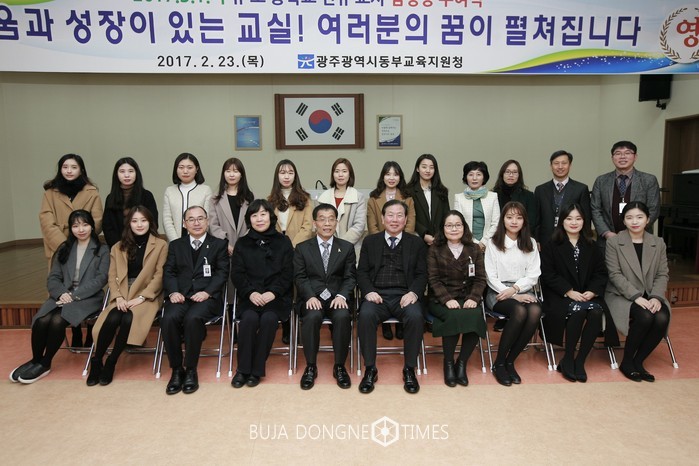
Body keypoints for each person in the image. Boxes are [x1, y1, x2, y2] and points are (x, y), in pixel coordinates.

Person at [10, 210, 109, 384]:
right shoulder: (64, 248)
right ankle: (35, 360)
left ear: (92, 227)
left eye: (85, 225)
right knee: (41, 320)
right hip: (62, 295)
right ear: (71, 229)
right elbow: (53, 277)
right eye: (76, 226)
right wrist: (62, 293)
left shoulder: (102, 250)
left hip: (88, 298)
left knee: (57, 320)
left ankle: (45, 363)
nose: (81, 229)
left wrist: (73, 295)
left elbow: (100, 279)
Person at [88, 206, 167, 386]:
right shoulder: (118, 247)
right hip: (123, 293)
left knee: (128, 317)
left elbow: (160, 276)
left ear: (150, 223)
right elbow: (112, 276)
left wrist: (142, 297)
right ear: (128, 224)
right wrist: (118, 297)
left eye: (143, 220)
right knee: (114, 315)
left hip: (148, 295)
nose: (139, 225)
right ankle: (97, 360)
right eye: (135, 221)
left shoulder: (161, 245)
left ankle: (111, 361)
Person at [540, 204, 618, 383]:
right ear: (562, 221)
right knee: (579, 311)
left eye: (578, 218)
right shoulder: (552, 245)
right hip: (560, 295)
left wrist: (592, 291)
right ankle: (568, 358)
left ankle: (580, 360)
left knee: (596, 311)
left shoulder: (591, 245)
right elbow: (548, 274)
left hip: (587, 294)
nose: (574, 222)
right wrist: (568, 291)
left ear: (584, 221)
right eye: (569, 219)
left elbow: (601, 273)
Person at [357, 200, 426, 394]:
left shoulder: (416, 243)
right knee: (365, 315)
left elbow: (422, 274)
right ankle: (370, 368)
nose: (394, 220)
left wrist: (413, 293)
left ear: (406, 219)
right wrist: (369, 291)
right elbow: (361, 272)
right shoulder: (370, 241)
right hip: (377, 295)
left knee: (415, 316)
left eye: (399, 215)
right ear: (382, 218)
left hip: (404, 295)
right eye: (390, 215)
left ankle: (409, 369)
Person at [161, 205, 228, 395]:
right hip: (181, 297)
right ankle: (176, 370)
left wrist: (207, 292)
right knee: (168, 318)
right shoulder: (176, 245)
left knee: (193, 318)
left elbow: (222, 273)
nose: (196, 223)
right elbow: (169, 272)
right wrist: (173, 292)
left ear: (207, 221)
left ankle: (191, 369)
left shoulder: (218, 244)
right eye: (191, 219)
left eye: (200, 218)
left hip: (207, 298)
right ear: (184, 223)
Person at [39, 154, 103, 347]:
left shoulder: (91, 192)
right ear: (60, 169)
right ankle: (75, 330)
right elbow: (46, 221)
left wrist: (81, 235)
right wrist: (64, 244)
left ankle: (90, 331)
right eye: (65, 167)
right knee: (66, 283)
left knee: (85, 285)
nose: (69, 170)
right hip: (61, 247)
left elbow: (97, 219)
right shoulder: (50, 193)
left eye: (73, 167)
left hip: (85, 243)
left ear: (81, 170)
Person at [231, 200, 294, 388]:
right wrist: (250, 293)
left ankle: (256, 370)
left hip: (276, 298)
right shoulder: (242, 243)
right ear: (249, 220)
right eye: (254, 215)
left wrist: (273, 292)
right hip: (250, 298)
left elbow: (288, 273)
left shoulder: (283, 242)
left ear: (270, 217)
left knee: (268, 320)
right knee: (249, 319)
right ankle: (243, 370)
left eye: (263, 214)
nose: (259, 219)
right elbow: (237, 274)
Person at [605, 201, 670, 383]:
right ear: (624, 220)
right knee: (645, 316)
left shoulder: (658, 243)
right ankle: (627, 362)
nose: (634, 221)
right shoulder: (614, 242)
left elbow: (662, 273)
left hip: (651, 294)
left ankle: (638, 361)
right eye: (629, 217)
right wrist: (636, 296)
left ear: (648, 219)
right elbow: (614, 274)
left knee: (662, 317)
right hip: (621, 294)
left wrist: (656, 297)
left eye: (639, 217)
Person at [294, 203, 356, 390]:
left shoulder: (346, 247)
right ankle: (311, 366)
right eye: (322, 219)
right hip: (312, 297)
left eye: (331, 219)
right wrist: (310, 296)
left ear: (336, 222)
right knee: (312, 317)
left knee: (343, 316)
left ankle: (339, 366)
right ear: (315, 223)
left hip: (337, 298)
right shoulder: (302, 248)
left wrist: (343, 296)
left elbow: (350, 277)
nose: (327, 223)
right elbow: (300, 277)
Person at [484, 201, 542, 387]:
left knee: (535, 311)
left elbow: (533, 274)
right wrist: (511, 293)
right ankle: (500, 362)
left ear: (524, 221)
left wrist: (516, 289)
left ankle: (510, 361)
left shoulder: (530, 243)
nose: (514, 221)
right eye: (509, 217)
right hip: (497, 292)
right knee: (519, 311)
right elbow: (490, 276)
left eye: (518, 217)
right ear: (503, 220)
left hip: (523, 289)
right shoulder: (493, 243)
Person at [427, 210, 486, 387]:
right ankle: (448, 363)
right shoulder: (434, 249)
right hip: (441, 299)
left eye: (458, 225)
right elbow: (433, 279)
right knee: (453, 316)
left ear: (464, 227)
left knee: (474, 316)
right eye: (449, 225)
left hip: (467, 297)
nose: (454, 229)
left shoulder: (474, 249)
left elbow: (480, 278)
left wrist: (474, 297)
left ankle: (461, 363)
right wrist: (446, 299)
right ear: (443, 228)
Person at [367, 161, 416, 341]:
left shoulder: (408, 197)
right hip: (380, 245)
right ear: (383, 176)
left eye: (395, 174)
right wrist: (382, 241)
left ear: (400, 177)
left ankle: (401, 323)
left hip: (403, 244)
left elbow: (410, 223)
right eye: (388, 174)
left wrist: (400, 238)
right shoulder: (373, 198)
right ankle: (386, 325)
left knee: (402, 277)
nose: (392, 177)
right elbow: (372, 224)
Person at [268, 159, 313, 344]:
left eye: (290, 172)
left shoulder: (305, 199)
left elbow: (308, 227)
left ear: (295, 176)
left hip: (299, 250)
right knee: (283, 288)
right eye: (282, 172)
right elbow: (268, 226)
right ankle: (287, 327)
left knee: (299, 288)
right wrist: (282, 248)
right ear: (277, 176)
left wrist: (292, 246)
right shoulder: (270, 199)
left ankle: (300, 327)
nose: (286, 176)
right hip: (276, 251)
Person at [591, 141, 660, 250]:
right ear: (612, 157)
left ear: (635, 157)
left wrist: (634, 231)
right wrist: (606, 233)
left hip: (639, 239)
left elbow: (653, 209)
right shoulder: (601, 181)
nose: (622, 157)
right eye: (618, 153)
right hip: (607, 241)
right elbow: (595, 209)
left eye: (627, 153)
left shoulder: (649, 180)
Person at [534, 150, 591, 246]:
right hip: (545, 241)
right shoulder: (540, 190)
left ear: (570, 165)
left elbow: (586, 218)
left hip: (572, 240)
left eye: (564, 163)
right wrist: (536, 240)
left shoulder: (581, 189)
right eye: (556, 163)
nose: (560, 166)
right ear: (551, 166)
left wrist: (584, 241)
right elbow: (536, 219)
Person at [316, 158, 367, 258]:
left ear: (350, 174)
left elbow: (359, 226)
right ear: (333, 174)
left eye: (344, 171)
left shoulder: (358, 197)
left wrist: (340, 245)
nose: (340, 175)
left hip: (351, 248)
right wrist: (330, 244)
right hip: (326, 248)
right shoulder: (323, 197)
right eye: (337, 171)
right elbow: (318, 224)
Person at [103, 157, 158, 248]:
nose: (126, 175)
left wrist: (140, 245)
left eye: (131, 171)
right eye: (122, 171)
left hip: (144, 246)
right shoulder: (111, 198)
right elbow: (107, 227)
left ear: (137, 173)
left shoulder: (146, 196)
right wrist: (119, 247)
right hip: (118, 247)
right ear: (116, 174)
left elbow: (153, 222)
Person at [162, 152, 213, 242]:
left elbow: (207, 219)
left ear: (196, 169)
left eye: (190, 167)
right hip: (175, 240)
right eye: (181, 167)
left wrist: (197, 240)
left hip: (199, 241)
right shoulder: (169, 191)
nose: (185, 171)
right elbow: (167, 220)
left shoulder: (205, 190)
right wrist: (176, 243)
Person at [209, 157, 254, 256]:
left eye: (235, 171)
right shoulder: (215, 198)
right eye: (228, 171)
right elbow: (213, 226)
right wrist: (226, 244)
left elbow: (253, 224)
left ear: (241, 174)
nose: (231, 175)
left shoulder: (249, 197)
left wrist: (242, 243)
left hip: (246, 248)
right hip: (222, 249)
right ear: (223, 174)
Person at [453, 161, 500, 253]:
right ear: (466, 177)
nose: (474, 178)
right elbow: (458, 223)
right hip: (466, 243)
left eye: (478, 174)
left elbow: (496, 223)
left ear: (484, 177)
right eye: (470, 174)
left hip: (489, 243)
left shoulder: (493, 196)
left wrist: (484, 242)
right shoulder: (459, 198)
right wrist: (474, 243)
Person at [406, 154, 450, 247]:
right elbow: (409, 216)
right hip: (417, 238)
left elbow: (446, 215)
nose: (428, 170)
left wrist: (439, 236)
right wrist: (423, 234)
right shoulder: (408, 191)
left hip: (439, 241)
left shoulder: (442, 191)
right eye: (424, 167)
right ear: (417, 169)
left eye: (431, 167)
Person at [493, 159, 538, 240]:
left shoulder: (528, 195)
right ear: (502, 174)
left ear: (519, 175)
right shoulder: (493, 195)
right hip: (497, 238)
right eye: (507, 172)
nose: (511, 175)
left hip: (522, 239)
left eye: (514, 172)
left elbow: (531, 222)